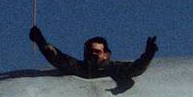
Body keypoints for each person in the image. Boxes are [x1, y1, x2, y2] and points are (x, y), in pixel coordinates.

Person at [29, 28, 158, 83]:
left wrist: (148, 54)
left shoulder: (115, 68)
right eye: (90, 51)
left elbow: (136, 69)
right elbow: (57, 58)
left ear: (107, 54)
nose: (93, 54)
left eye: (98, 51)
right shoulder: (79, 67)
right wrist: (40, 41)